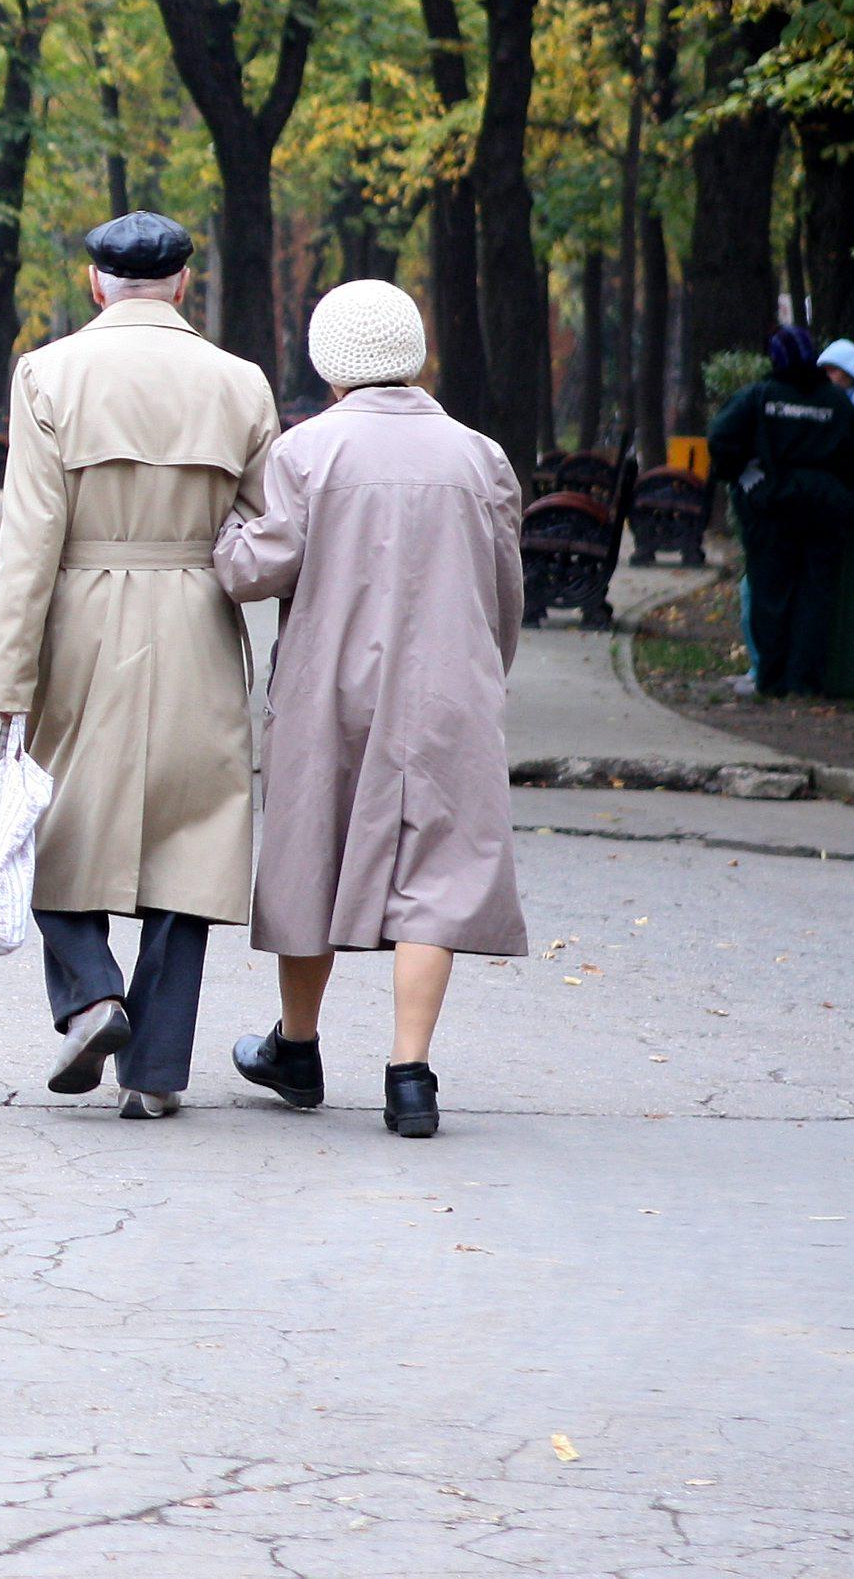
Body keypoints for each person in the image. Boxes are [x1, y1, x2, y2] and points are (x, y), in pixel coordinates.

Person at [0, 212, 281, 1119]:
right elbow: (271, 528)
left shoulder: (49, 374)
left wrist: (8, 681)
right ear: (185, 284)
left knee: (53, 817)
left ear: (94, 281)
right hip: (197, 617)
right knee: (193, 836)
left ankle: (89, 995)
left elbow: (28, 542)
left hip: (82, 617)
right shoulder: (241, 384)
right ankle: (153, 1068)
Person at [215, 281, 527, 1140]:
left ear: (329, 361)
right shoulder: (480, 455)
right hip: (450, 693)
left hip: (331, 688)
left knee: (311, 852)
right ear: (416, 351)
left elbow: (254, 570)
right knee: (438, 878)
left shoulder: (308, 450)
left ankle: (299, 1047)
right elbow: (506, 586)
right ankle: (410, 1075)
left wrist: (219, 537)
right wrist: (484, 670)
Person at [707, 324, 854, 697]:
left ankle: (771, 679)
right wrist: (838, 488)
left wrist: (743, 474)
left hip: (773, 508)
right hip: (826, 512)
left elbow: (721, 437)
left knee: (770, 594)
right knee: (815, 596)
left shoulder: (761, 396)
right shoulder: (836, 403)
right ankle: (805, 682)